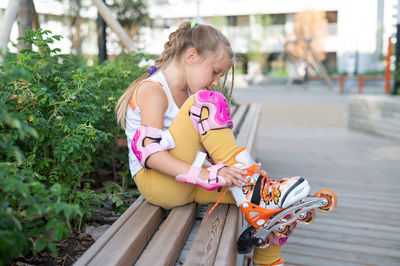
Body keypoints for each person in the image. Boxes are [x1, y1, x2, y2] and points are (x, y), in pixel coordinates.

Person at [115, 21, 309, 266]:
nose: (216, 80)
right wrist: (205, 175)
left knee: (277, 202)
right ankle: (255, 184)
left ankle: (266, 255)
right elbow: (150, 155)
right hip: (157, 183)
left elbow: (200, 149)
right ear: (192, 56)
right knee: (206, 102)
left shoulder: (187, 94)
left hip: (187, 181)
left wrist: (238, 174)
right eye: (215, 71)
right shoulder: (153, 91)